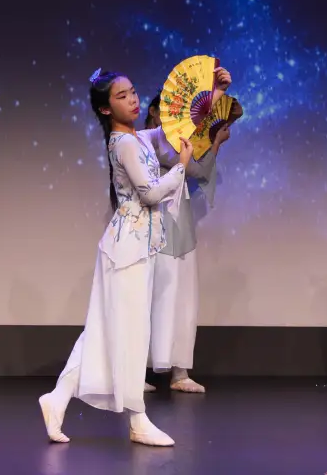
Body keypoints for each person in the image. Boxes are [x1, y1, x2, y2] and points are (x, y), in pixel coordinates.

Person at [39, 69, 191, 446]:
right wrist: (181, 167)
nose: (133, 99)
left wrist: (214, 92)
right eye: (122, 96)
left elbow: (172, 128)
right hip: (127, 251)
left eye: (133, 92)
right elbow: (151, 194)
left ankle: (57, 399)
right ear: (106, 109)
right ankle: (138, 420)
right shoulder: (123, 144)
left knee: (106, 329)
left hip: (131, 245)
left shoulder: (137, 137)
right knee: (131, 331)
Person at [141, 68, 238, 393]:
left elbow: (196, 167)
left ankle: (179, 372)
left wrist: (216, 141)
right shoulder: (144, 142)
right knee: (152, 301)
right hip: (155, 231)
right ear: (154, 112)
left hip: (182, 229)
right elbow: (176, 158)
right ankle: (138, 372)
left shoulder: (177, 142)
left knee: (183, 300)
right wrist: (215, 95)